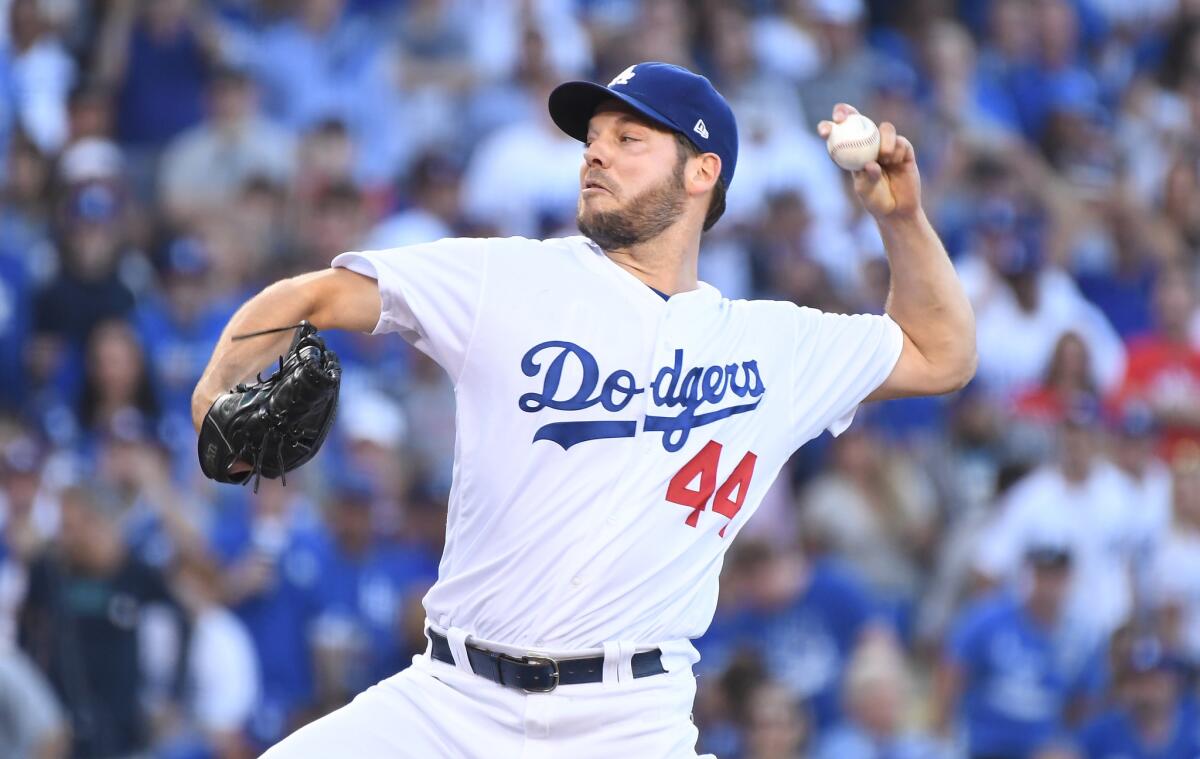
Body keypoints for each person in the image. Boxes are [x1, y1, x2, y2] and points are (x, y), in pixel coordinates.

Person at [191, 62, 975, 756]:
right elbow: (316, 294)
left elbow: (941, 355)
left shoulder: (773, 346)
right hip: (449, 703)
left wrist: (900, 219)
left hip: (629, 720)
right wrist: (210, 394)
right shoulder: (508, 278)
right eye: (593, 136)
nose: (596, 151)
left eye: (631, 138)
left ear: (703, 171)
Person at [935, 541, 1106, 759]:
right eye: (1042, 576)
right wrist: (944, 725)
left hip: (1041, 748)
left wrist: (1065, 740)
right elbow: (953, 667)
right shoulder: (990, 620)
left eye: (1056, 577)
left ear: (1069, 580)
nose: (1048, 586)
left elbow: (1085, 702)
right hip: (984, 743)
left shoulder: (1081, 637)